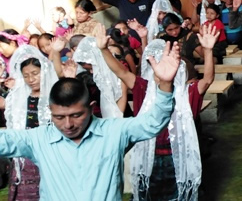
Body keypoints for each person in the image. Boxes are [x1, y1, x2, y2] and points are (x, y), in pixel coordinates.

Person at [0, 39, 180, 200]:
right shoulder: (37, 139)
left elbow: (153, 122)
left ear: (91, 107)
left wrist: (165, 84)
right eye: (59, 117)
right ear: (50, 111)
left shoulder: (114, 131)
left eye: (76, 115)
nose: (68, 124)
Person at [106, 26, 217, 200]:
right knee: (148, 195)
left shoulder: (187, 93)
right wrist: (103, 50)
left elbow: (208, 79)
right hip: (148, 156)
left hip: (178, 156)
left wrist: (208, 50)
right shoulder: (143, 88)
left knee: (178, 196)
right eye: (157, 70)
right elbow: (121, 72)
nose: (161, 75)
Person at [0, 46, 58, 200]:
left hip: (49, 153)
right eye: (26, 76)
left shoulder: (53, 95)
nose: (31, 79)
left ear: (44, 71)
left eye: (35, 74)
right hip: (25, 155)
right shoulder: (19, 97)